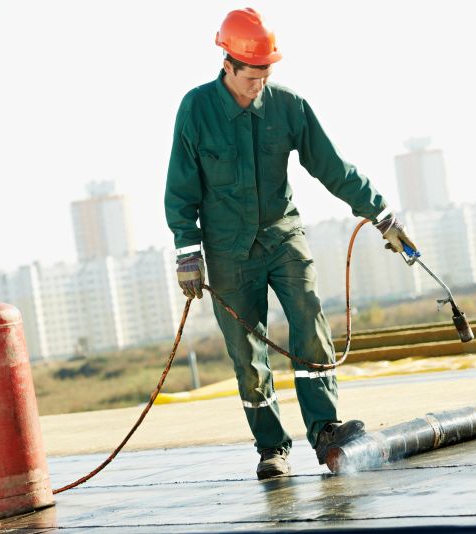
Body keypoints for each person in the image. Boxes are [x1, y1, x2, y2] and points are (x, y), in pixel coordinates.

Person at [164, 7, 416, 479]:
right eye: (252, 75)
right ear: (228, 64)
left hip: (283, 237)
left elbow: (333, 167)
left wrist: (381, 215)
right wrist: (187, 250)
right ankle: (270, 449)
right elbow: (181, 188)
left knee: (308, 313)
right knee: (246, 350)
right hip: (227, 252)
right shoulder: (196, 110)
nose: (259, 83)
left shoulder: (289, 106)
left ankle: (325, 431)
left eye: (266, 73)